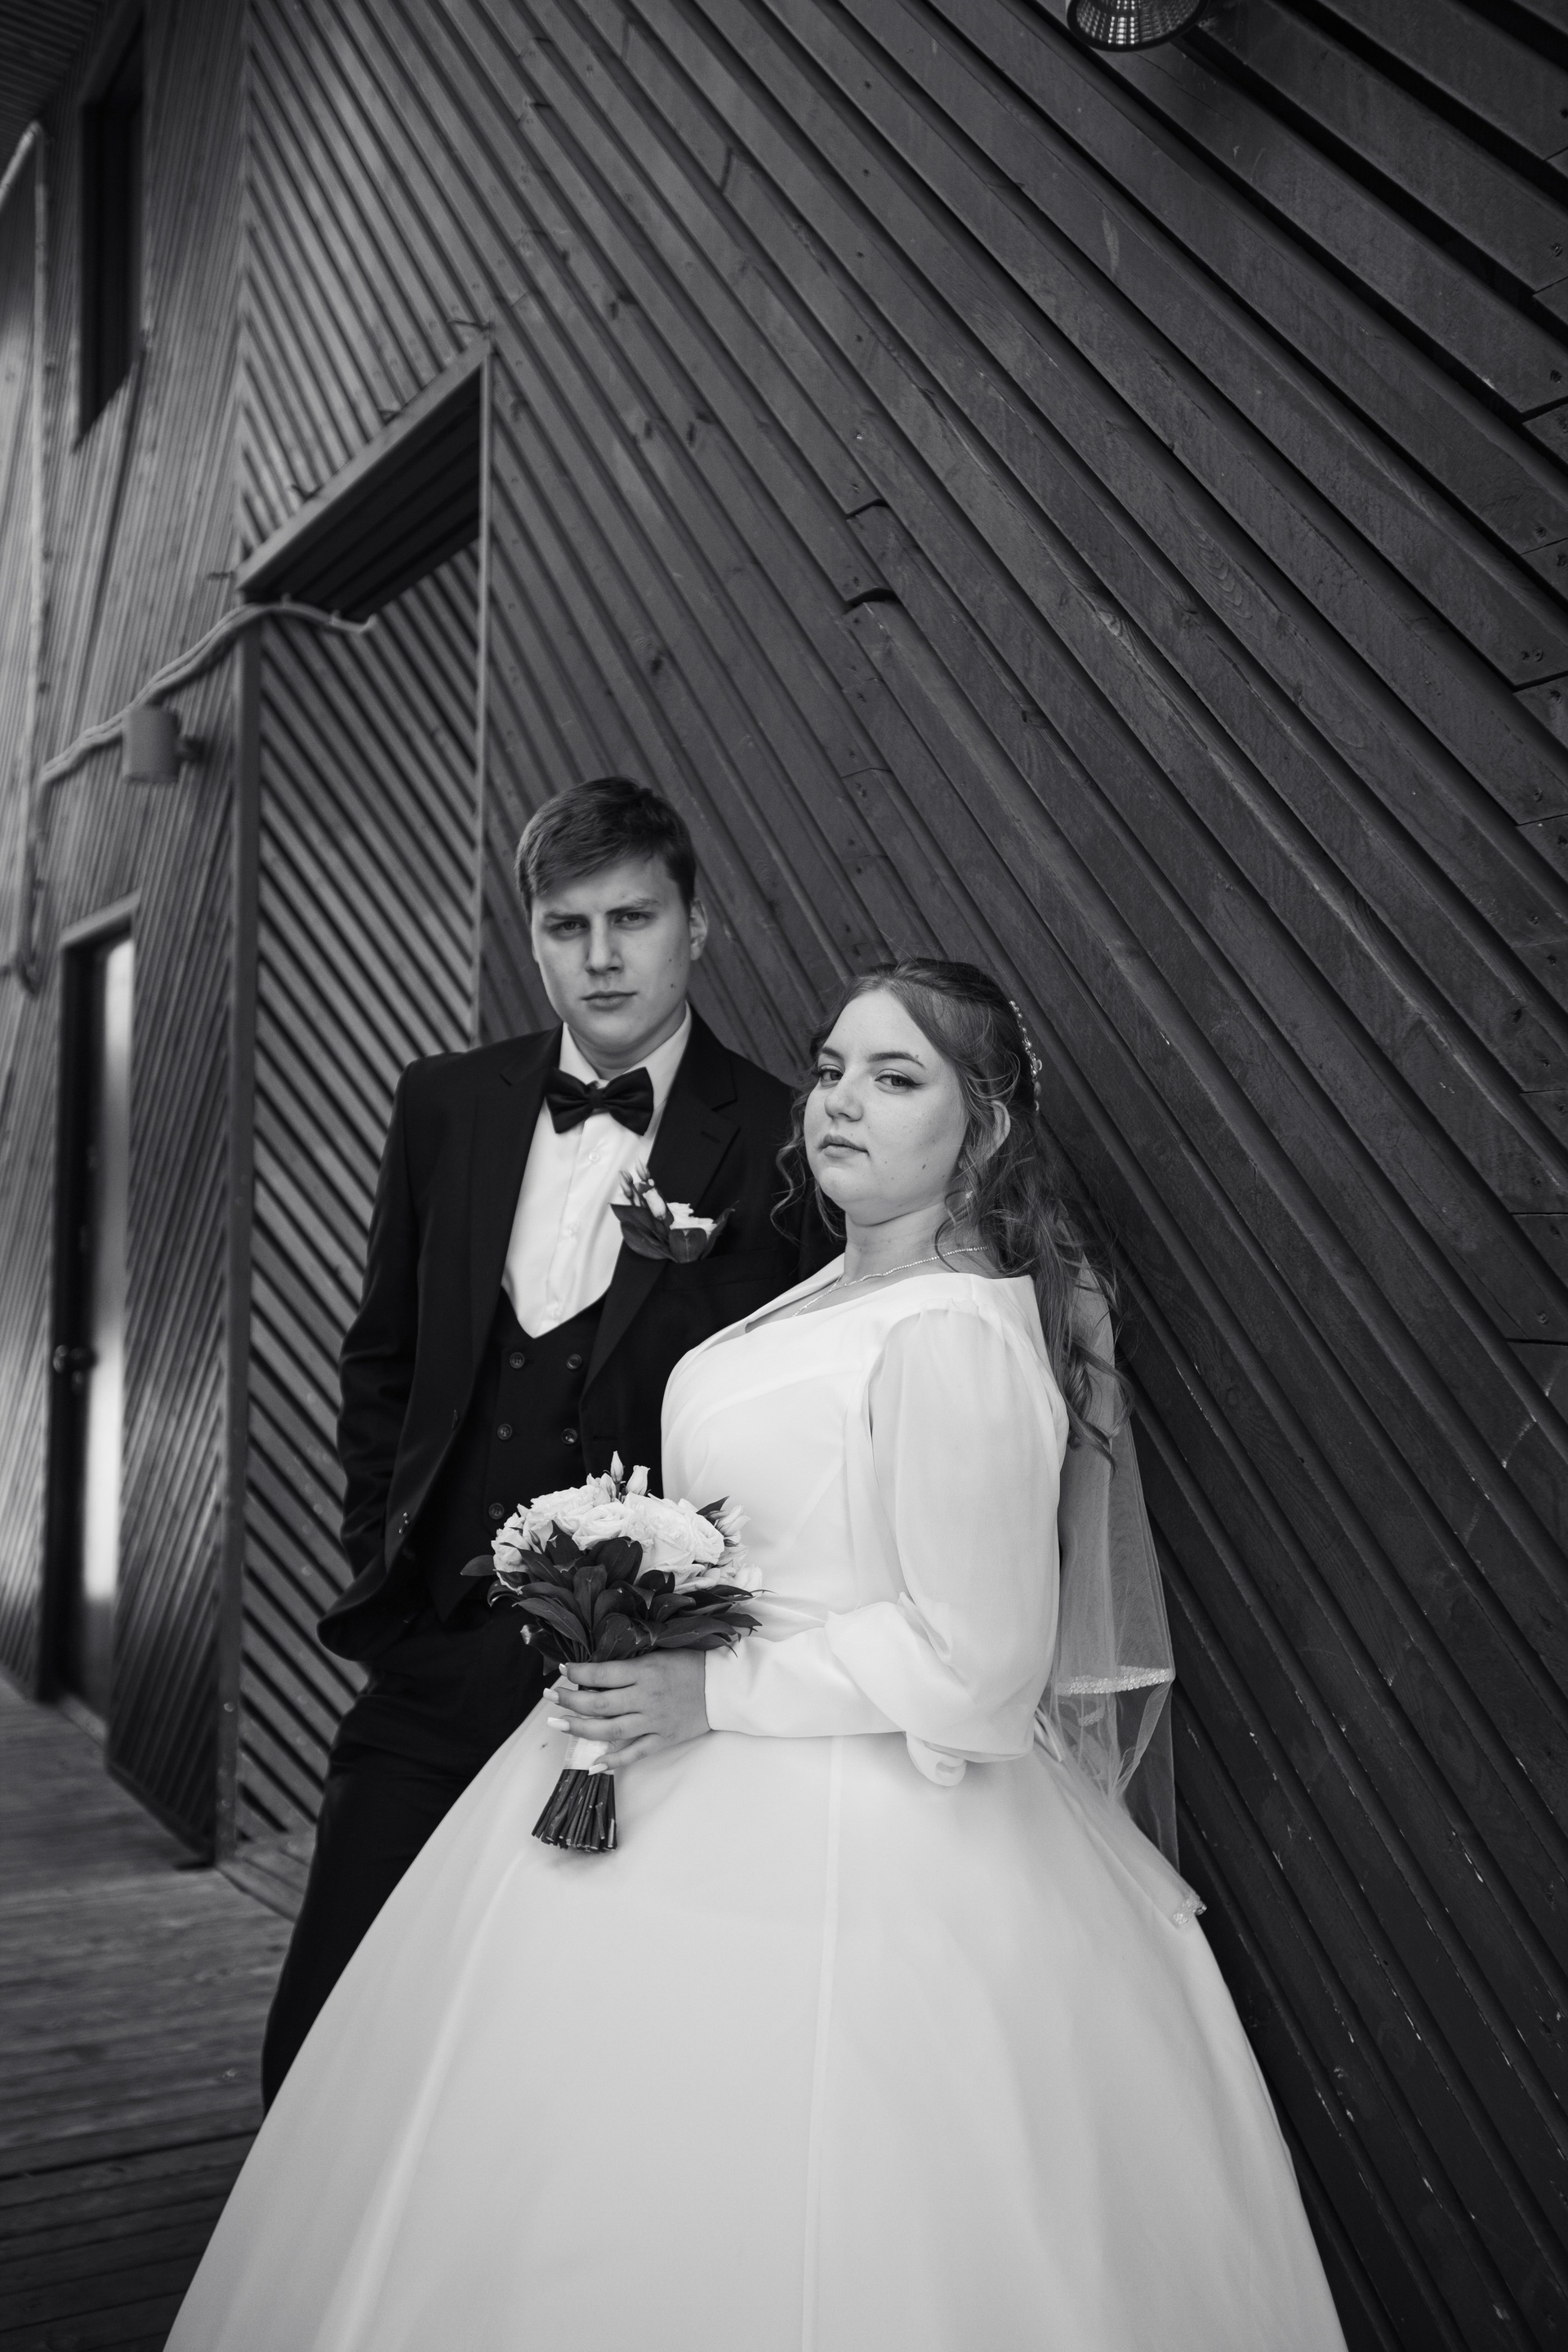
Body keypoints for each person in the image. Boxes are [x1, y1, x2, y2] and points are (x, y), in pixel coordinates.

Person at [176, 958, 1348, 2350]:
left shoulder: (954, 1334)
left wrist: (710, 1685)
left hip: (863, 1824)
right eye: (833, 1068)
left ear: (981, 1129)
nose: (842, 1099)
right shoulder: (823, 1293)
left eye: (896, 1078)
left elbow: (980, 1667)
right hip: (666, 1749)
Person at [259, 777, 820, 2103]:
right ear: (532, 938)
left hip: (631, 1698)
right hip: (434, 1652)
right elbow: (384, 1356)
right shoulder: (445, 1103)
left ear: (697, 926)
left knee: (550, 2069)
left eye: (634, 918)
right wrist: (386, 1563)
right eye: (568, 926)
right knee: (324, 2035)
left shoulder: (780, 1137)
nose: (602, 956)